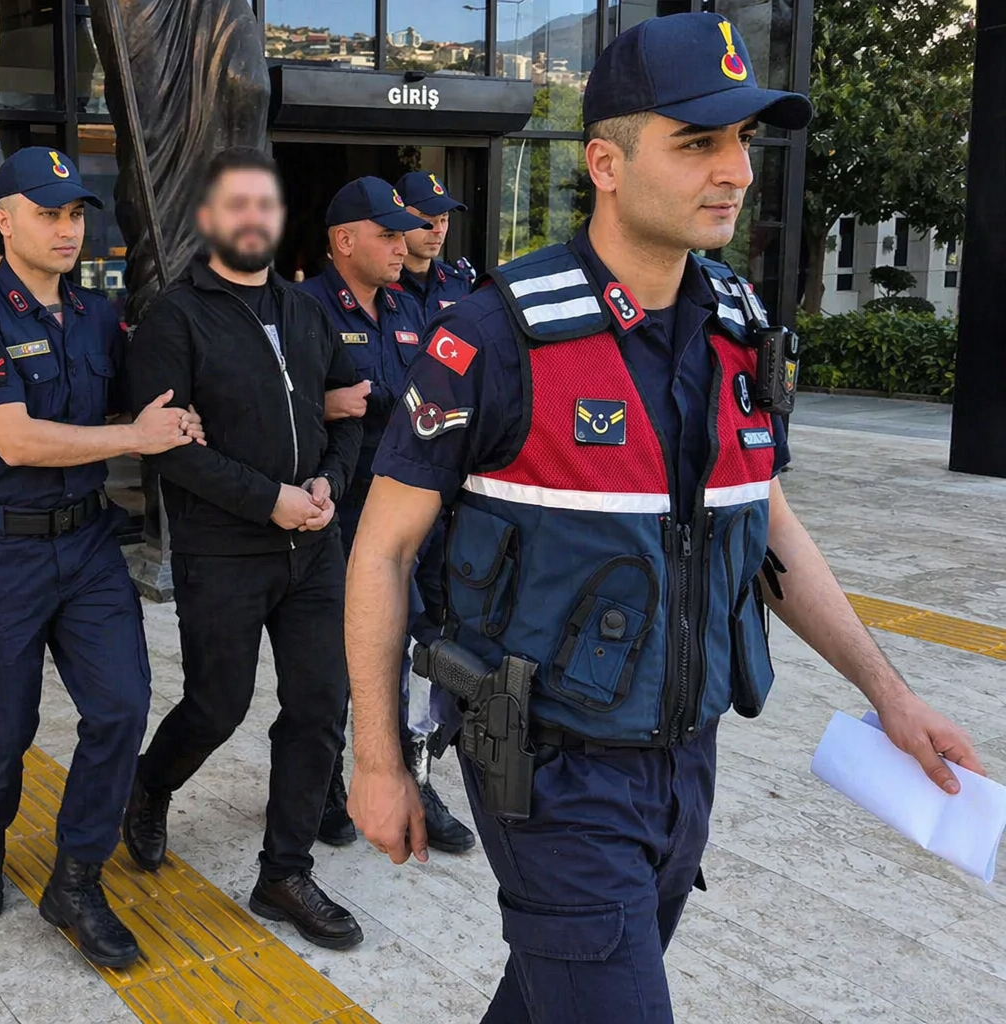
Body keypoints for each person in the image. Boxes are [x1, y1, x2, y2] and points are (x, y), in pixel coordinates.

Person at [344, 15, 984, 1024]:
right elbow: (381, 553)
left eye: (743, 141)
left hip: (687, 756)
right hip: (550, 768)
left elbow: (768, 527)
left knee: (551, 998)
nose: (736, 171)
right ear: (605, 163)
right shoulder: (496, 335)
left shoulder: (740, 327)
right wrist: (380, 762)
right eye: (697, 142)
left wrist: (890, 696)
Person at [0, 146, 201, 969]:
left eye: (76, 214)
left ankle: (77, 878)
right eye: (48, 213)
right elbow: (15, 440)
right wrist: (135, 438)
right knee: (0, 731)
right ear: (4, 221)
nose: (66, 228)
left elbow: (142, 398)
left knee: (120, 708)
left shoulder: (95, 315)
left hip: (85, 546)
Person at [122, 147, 367, 951]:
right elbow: (171, 451)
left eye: (265, 204)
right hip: (224, 550)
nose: (253, 218)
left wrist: (329, 482)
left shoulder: (306, 310)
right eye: (237, 205)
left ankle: (283, 872)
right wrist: (271, 500)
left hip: (314, 547)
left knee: (319, 705)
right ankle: (149, 786)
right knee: (218, 705)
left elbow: (347, 409)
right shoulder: (174, 319)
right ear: (208, 219)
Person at [297, 179, 475, 854]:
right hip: (342, 512)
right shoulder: (305, 308)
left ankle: (414, 779)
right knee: (339, 661)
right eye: (390, 235)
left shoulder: (408, 305)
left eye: (407, 234)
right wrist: (324, 405)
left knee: (419, 652)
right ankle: (322, 784)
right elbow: (270, 403)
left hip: (416, 511)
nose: (405, 246)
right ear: (345, 241)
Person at [393, 170, 476, 315]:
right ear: (400, 218)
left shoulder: (458, 283)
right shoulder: (378, 284)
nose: (439, 230)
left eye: (443, 219)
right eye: (427, 220)